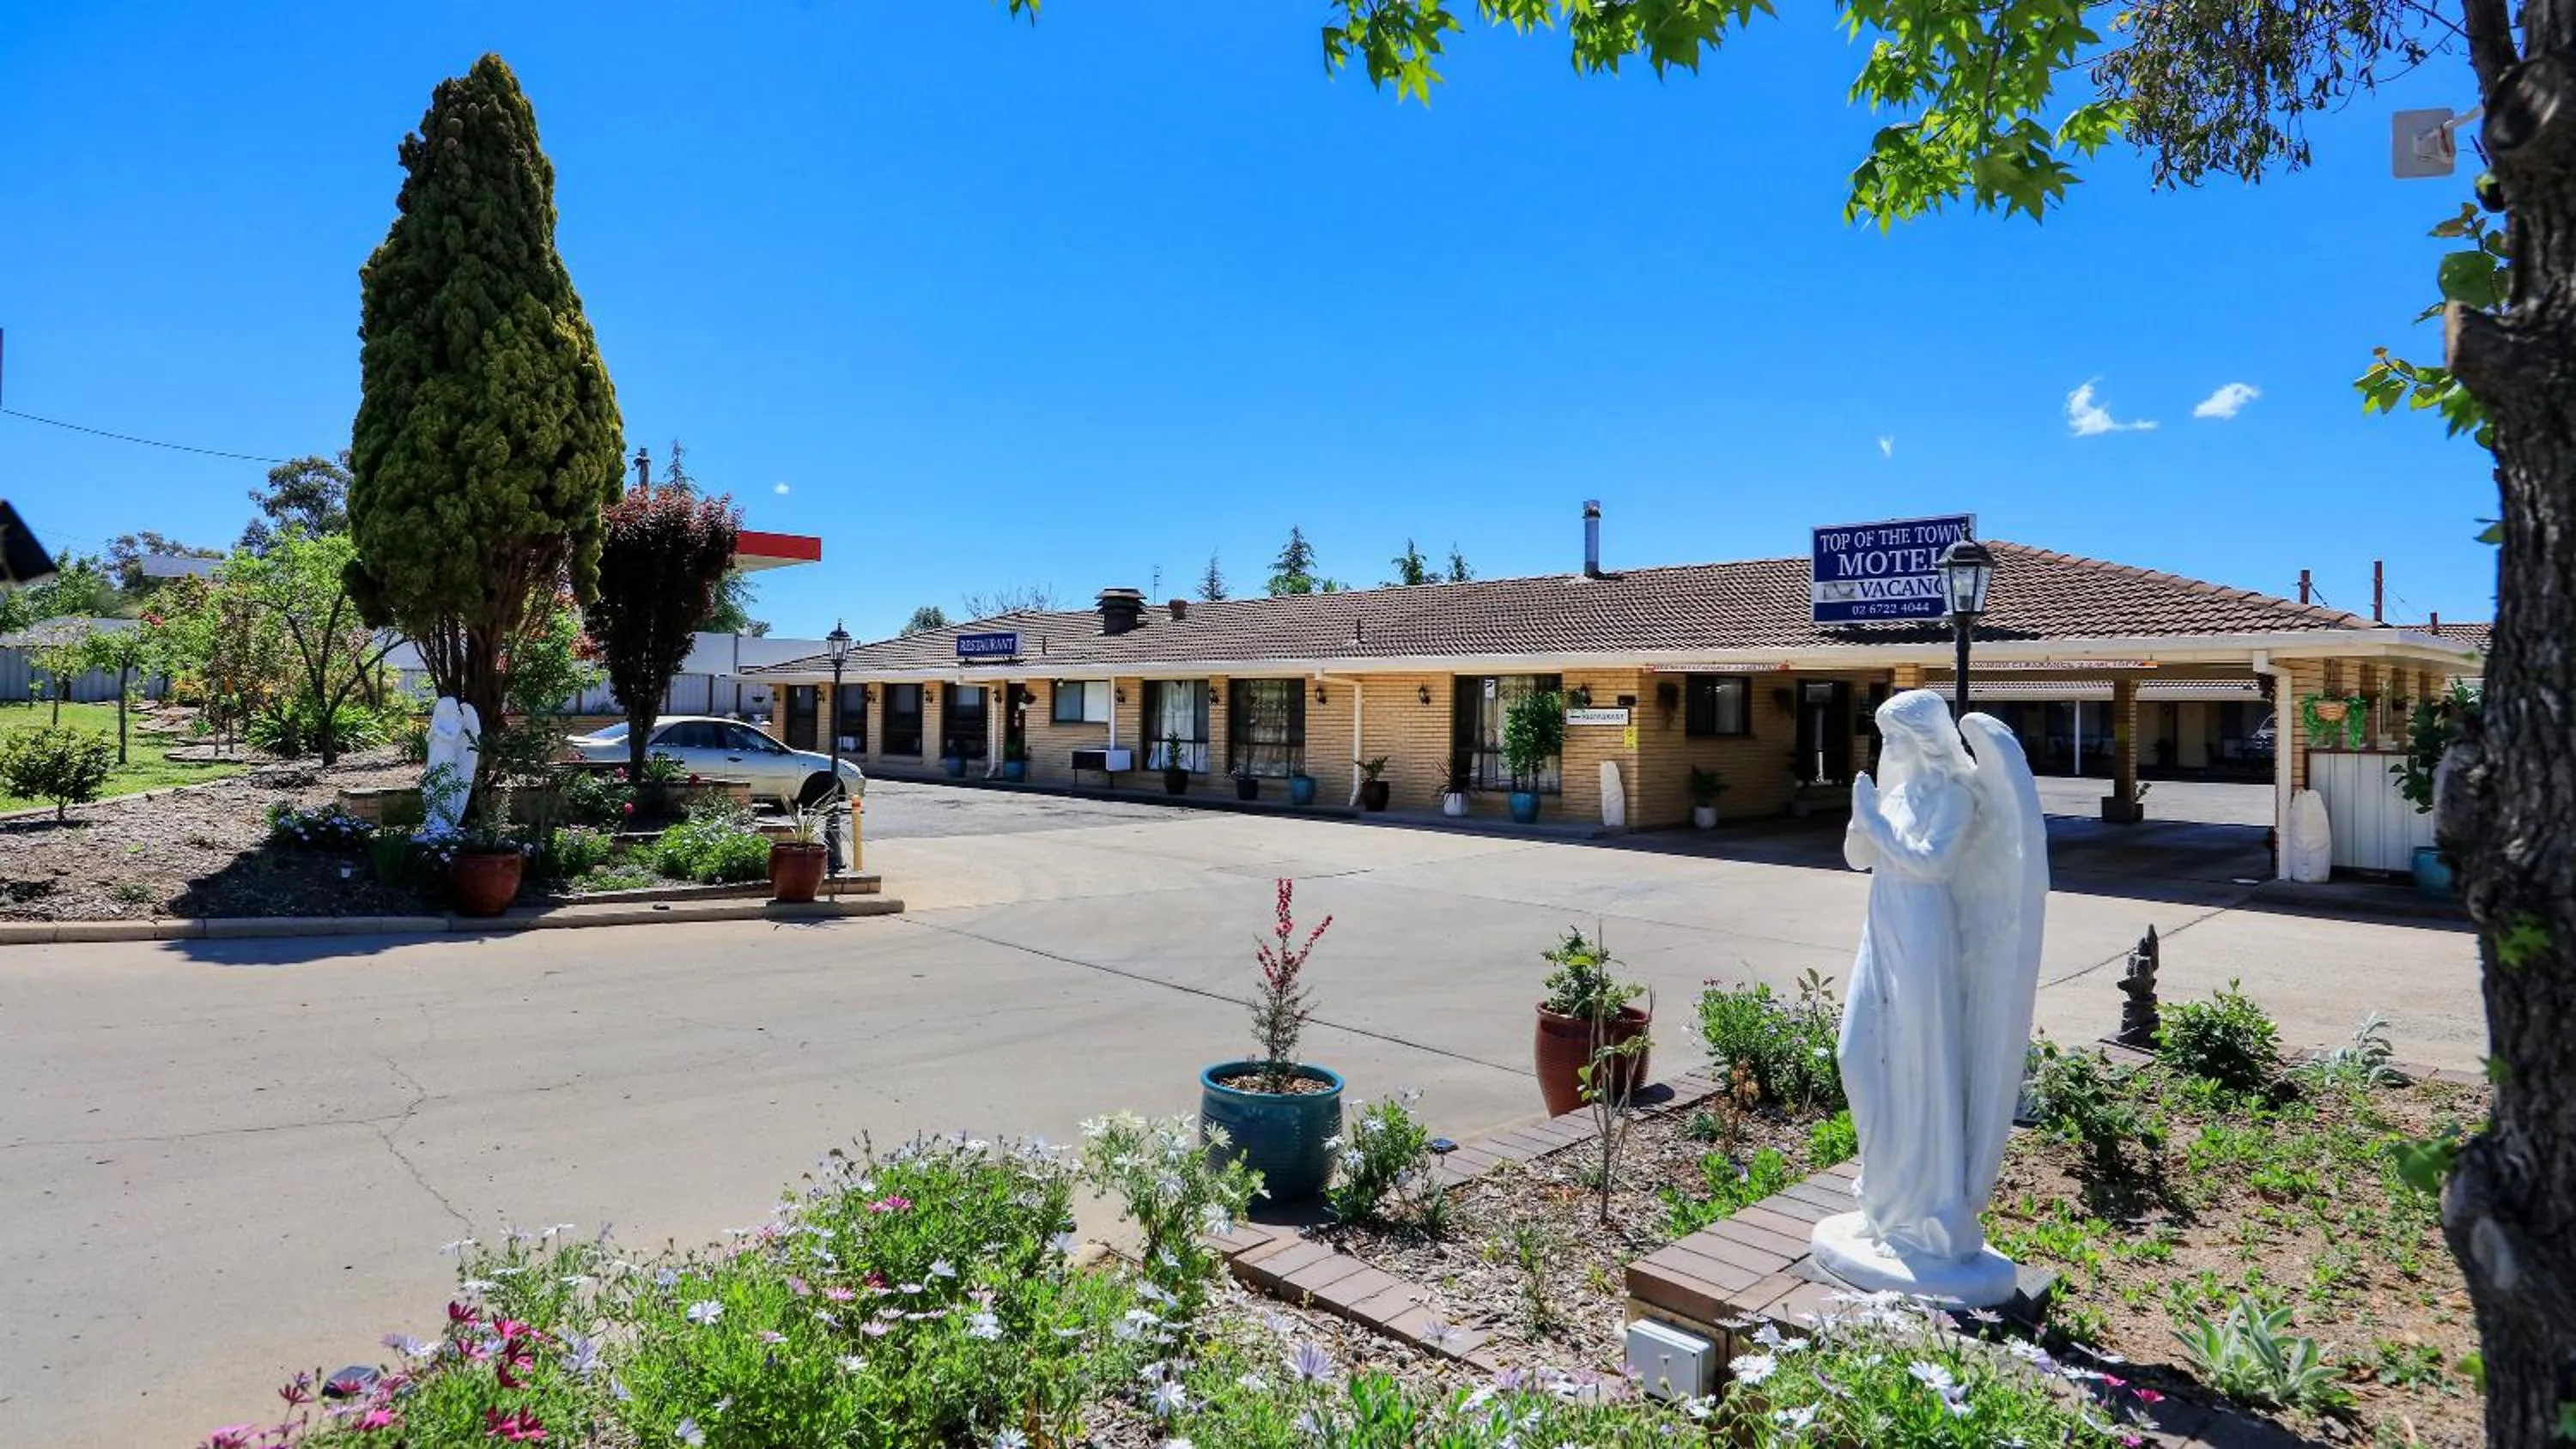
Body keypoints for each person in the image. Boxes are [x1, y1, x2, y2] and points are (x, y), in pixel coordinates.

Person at [1814, 688, 2047, 1305]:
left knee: (1918, 1062)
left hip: (1923, 930)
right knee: (1857, 1053)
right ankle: (1883, 1200)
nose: (1887, 748)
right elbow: (1858, 857)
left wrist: (1878, 827)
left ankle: (1924, 1216)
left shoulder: (1956, 795)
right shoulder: (1896, 793)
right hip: (1883, 922)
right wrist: (1861, 820)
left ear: (1924, 738)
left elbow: (1931, 863)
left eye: (1894, 736)